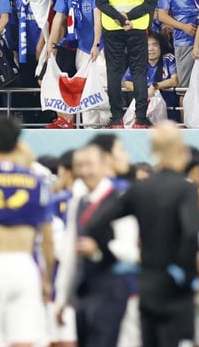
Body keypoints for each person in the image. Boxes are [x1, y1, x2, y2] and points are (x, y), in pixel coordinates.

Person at [87, 123, 199, 347]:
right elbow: (190, 233)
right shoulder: (185, 189)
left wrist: (110, 257)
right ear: (180, 149)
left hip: (146, 283)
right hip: (175, 286)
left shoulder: (140, 189)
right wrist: (186, 275)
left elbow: (96, 222)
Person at [0, 116, 53, 347]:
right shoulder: (35, 181)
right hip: (24, 264)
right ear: (18, 143)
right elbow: (47, 238)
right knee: (23, 340)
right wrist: (47, 279)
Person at [55, 143, 136, 347]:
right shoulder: (78, 202)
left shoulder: (120, 198)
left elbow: (130, 249)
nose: (85, 171)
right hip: (84, 290)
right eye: (79, 165)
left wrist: (99, 250)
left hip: (112, 288)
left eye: (90, 165)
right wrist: (62, 298)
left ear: (103, 164)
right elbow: (69, 254)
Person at [95, 0, 158, 127]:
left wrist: (119, 18)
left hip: (113, 28)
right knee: (139, 71)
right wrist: (129, 18)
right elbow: (150, 2)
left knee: (114, 72)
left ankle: (116, 119)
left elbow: (101, 2)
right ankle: (140, 118)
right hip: (137, 27)